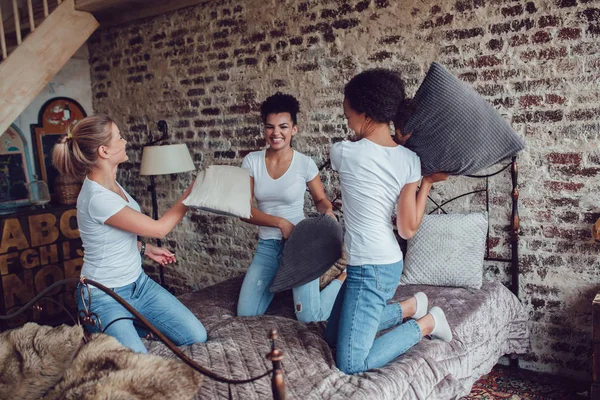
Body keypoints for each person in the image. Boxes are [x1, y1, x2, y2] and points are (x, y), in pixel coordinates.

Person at [324, 69, 453, 374]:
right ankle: (410, 306)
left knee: (352, 363)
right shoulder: (409, 161)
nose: (347, 121)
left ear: (365, 113)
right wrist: (428, 183)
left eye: (348, 114)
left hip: (372, 270)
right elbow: (407, 229)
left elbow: (362, 148)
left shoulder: (343, 152)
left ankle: (428, 321)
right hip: (381, 263)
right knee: (331, 333)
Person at [52, 115, 207, 353]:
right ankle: (104, 326)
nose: (125, 141)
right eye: (120, 137)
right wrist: (193, 192)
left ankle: (129, 325)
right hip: (103, 296)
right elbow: (159, 229)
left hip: (139, 285)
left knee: (196, 335)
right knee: (137, 363)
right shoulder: (97, 197)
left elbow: (107, 239)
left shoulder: (111, 184)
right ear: (104, 150)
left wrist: (144, 248)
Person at [237, 92, 346, 322]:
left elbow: (320, 200)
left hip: (301, 248)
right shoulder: (251, 161)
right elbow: (243, 211)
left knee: (309, 318)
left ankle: (341, 279)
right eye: (270, 127)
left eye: (283, 126)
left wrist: (327, 213)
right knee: (245, 315)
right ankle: (283, 282)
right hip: (267, 247)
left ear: (294, 129)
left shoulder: (304, 163)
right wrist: (280, 223)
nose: (276, 133)